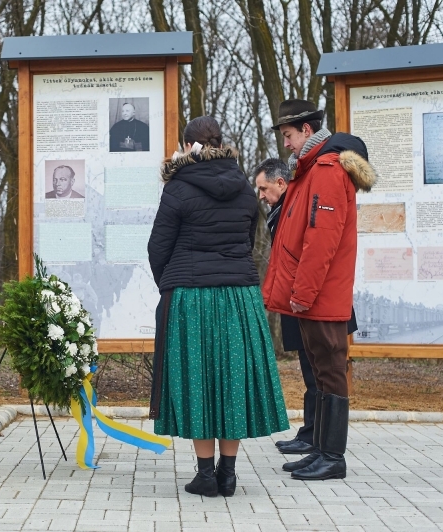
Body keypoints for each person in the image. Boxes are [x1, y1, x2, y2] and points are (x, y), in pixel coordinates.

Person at [148, 116, 289, 498]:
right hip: (239, 296)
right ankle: (228, 475)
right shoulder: (246, 189)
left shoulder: (178, 188)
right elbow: (247, 241)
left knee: (197, 380)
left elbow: (158, 247)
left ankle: (205, 475)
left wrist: (171, 281)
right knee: (230, 381)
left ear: (187, 146)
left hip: (191, 297)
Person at [262, 99, 376, 481]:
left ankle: (333, 457)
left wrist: (303, 294)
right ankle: (321, 451)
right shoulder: (310, 169)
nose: (287, 145)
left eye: (289, 136)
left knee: (330, 372)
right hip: (314, 298)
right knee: (324, 373)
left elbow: (320, 242)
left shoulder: (326, 171)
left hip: (321, 299)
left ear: (307, 131)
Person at [253, 158, 360, 456]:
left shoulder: (298, 205)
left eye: (264, 188)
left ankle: (320, 441)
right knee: (310, 369)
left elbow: (315, 250)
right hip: (298, 298)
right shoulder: (281, 209)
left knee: (320, 373)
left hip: (312, 299)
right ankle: (312, 434)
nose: (261, 195)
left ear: (280, 183)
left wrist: (302, 293)